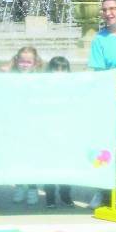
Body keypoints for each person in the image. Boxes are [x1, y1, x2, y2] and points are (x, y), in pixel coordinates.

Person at [9, 47, 44, 205]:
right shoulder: (11, 78)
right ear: (17, 61)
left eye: (28, 62)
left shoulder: (40, 79)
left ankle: (32, 188)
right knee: (17, 155)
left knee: (33, 157)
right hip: (16, 124)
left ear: (35, 63)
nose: (24, 64)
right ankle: (19, 186)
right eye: (22, 61)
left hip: (34, 125)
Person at [43, 57, 74, 208]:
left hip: (67, 131)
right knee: (48, 164)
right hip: (48, 131)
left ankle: (65, 193)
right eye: (56, 68)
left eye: (63, 69)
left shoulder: (73, 86)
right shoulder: (43, 86)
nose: (59, 72)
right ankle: (50, 196)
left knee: (67, 164)